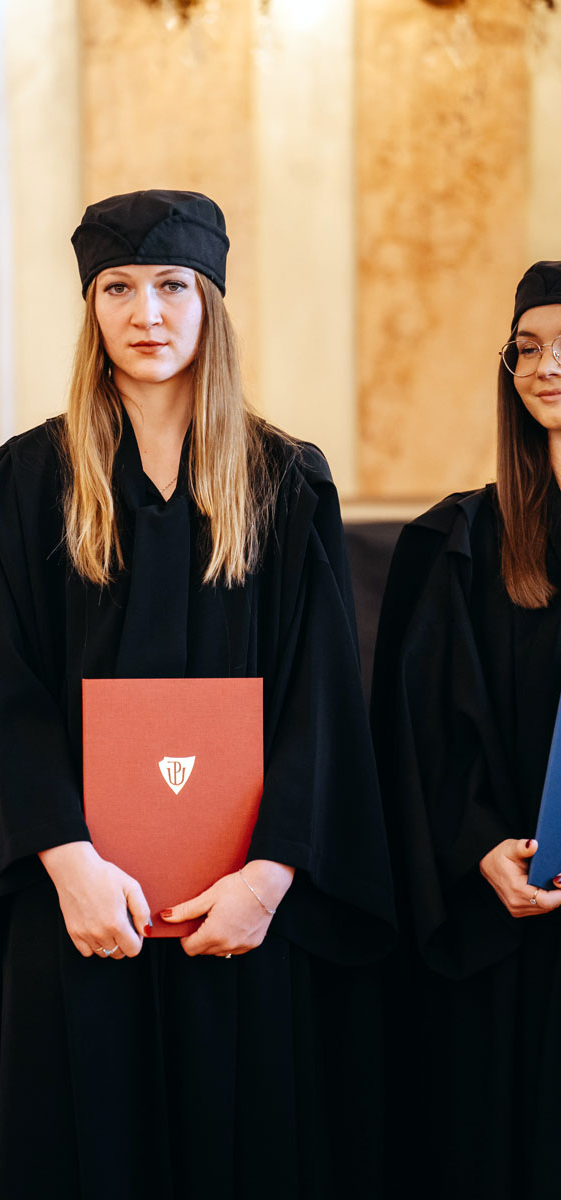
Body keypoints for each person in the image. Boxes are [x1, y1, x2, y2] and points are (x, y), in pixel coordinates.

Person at [0, 189, 395, 1200]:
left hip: (237, 892)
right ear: (91, 307)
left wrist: (268, 876)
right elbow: (4, 697)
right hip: (74, 891)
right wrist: (70, 867)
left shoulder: (283, 482)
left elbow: (319, 699)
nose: (146, 313)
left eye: (173, 286)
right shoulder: (23, 486)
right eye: (119, 288)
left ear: (210, 301)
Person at [372, 261, 561, 1199]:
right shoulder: (461, 544)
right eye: (528, 348)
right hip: (503, 918)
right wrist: (476, 842)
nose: (546, 367)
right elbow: (417, 736)